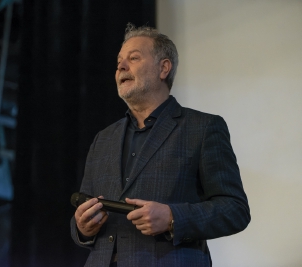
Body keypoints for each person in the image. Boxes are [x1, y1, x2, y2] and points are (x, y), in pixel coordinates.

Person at [70, 23, 250, 267]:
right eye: (119, 62)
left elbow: (235, 210)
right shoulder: (103, 139)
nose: (121, 66)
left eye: (133, 58)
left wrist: (172, 218)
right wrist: (82, 228)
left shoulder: (203, 128)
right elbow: (83, 216)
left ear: (164, 68)